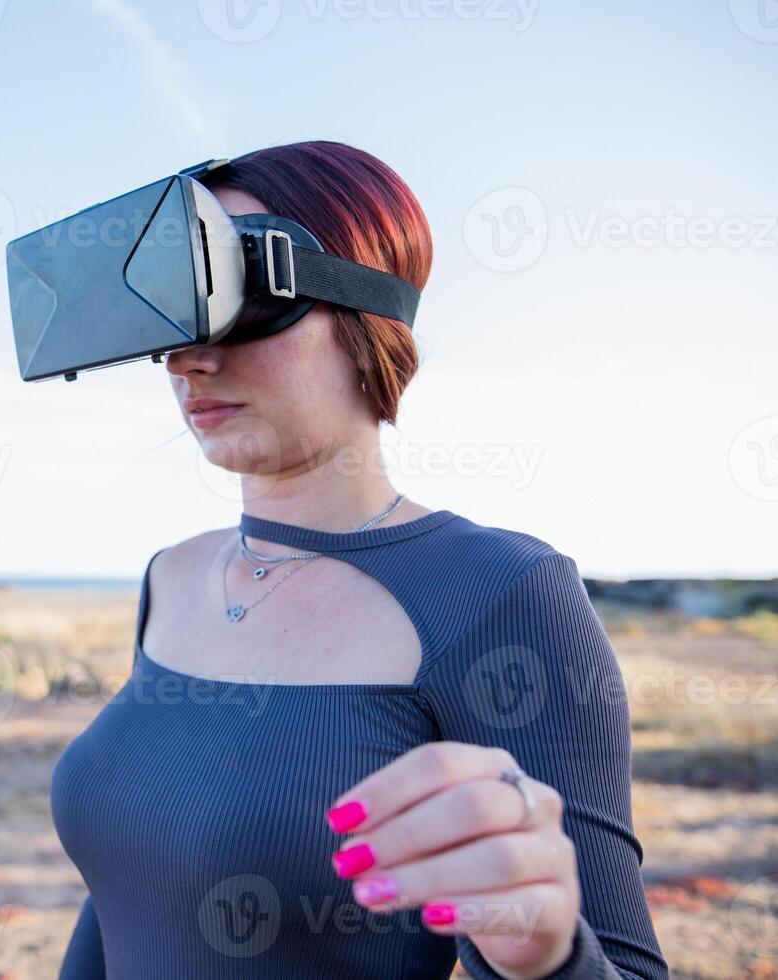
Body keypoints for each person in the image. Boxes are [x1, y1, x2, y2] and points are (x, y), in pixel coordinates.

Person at [49, 141, 667, 979]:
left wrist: (541, 958)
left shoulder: (498, 591)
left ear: (368, 307)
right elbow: (121, 902)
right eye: (175, 309)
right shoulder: (172, 576)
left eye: (241, 295)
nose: (191, 357)